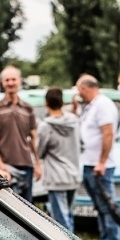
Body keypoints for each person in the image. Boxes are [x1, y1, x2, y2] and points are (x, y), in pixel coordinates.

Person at [76, 74, 120, 240]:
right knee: (99, 206)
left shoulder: (103, 105)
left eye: (79, 89)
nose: (79, 93)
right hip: (89, 162)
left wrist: (101, 161)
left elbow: (108, 133)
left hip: (99, 164)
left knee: (107, 204)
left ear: (86, 88)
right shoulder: (91, 106)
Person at [0, 65, 38, 202]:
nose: (10, 83)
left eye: (13, 79)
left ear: (20, 81)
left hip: (27, 164)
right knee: (8, 206)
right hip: (6, 166)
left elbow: (34, 138)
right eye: (7, 80)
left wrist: (38, 163)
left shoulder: (28, 108)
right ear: (2, 83)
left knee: (28, 206)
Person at [35, 86, 81, 229]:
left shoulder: (45, 126)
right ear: (62, 103)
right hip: (73, 174)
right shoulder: (74, 121)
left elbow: (40, 152)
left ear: (46, 103)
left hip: (56, 177)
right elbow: (82, 142)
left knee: (61, 220)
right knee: (69, 216)